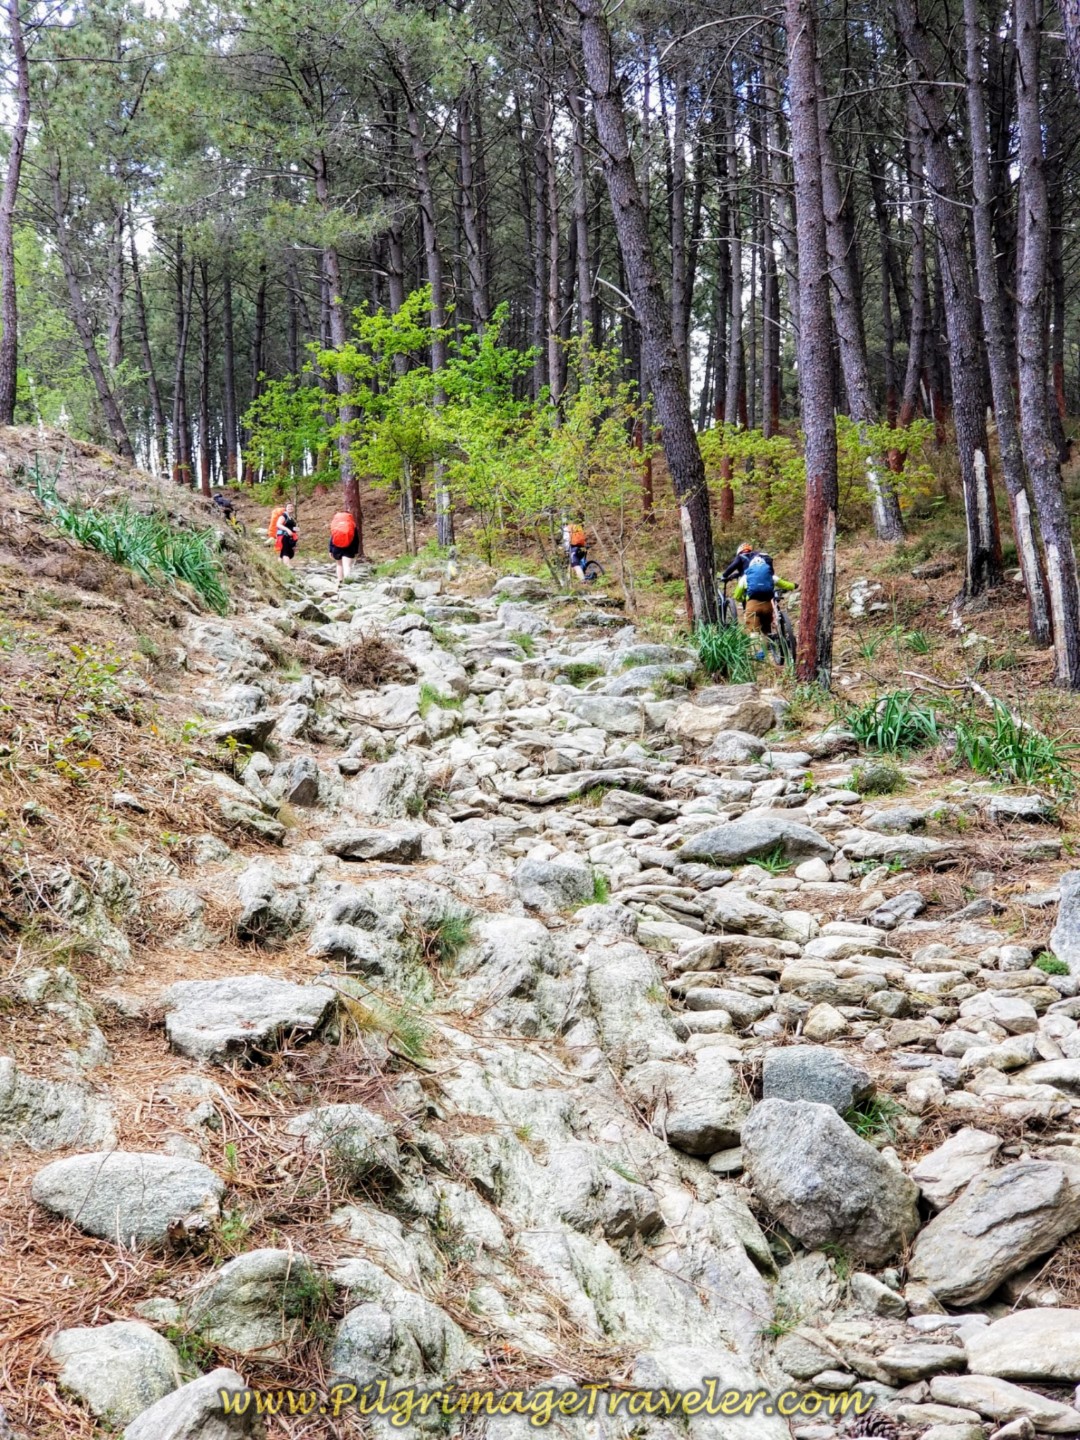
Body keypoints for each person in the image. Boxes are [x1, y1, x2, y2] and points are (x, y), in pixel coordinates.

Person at [732, 552, 795, 660]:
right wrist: (794, 585)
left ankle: (757, 655)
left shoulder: (745, 577)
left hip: (752, 606)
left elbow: (737, 596)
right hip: (767, 606)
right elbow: (784, 584)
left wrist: (743, 599)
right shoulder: (769, 575)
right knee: (766, 631)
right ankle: (764, 651)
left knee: (754, 631)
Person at [329, 508, 360, 584]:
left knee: (339, 565)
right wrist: (356, 550)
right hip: (349, 548)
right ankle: (347, 583)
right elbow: (356, 539)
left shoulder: (336, 524)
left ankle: (340, 580)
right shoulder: (352, 524)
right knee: (347, 566)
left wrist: (330, 550)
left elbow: (332, 538)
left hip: (336, 547)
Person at [564, 516, 589, 582]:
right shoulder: (578, 527)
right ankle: (568, 581)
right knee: (571, 564)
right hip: (582, 548)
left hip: (574, 549)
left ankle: (583, 581)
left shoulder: (567, 528)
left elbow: (566, 540)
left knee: (576, 565)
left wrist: (566, 550)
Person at [275, 501, 298, 567]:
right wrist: (287, 530)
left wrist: (295, 529)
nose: (290, 508)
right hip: (284, 536)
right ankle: (287, 565)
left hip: (289, 537)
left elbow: (290, 526)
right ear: (286, 508)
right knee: (286, 550)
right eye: (289, 507)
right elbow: (278, 524)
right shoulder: (283, 516)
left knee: (285, 551)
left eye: (292, 507)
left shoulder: (291, 517)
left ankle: (278, 565)